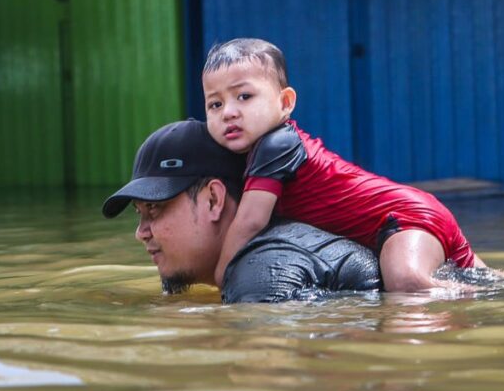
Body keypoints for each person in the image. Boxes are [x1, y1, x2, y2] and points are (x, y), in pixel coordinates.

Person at [203, 37, 488, 293]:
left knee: (405, 284)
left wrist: (221, 272)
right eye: (215, 104)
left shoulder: (276, 145)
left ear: (285, 103)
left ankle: (471, 296)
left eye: (244, 97)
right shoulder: (260, 150)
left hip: (402, 218)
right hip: (408, 214)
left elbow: (251, 221)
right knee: (491, 278)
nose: (229, 112)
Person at [102, 119, 382, 303]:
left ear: (214, 199)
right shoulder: (266, 256)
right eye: (139, 213)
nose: (141, 233)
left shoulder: (261, 269)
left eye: (154, 208)